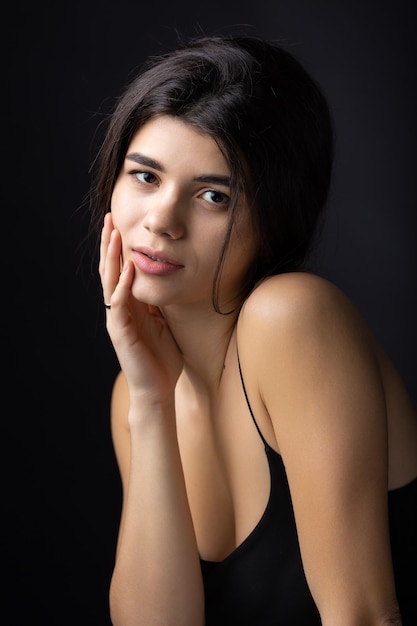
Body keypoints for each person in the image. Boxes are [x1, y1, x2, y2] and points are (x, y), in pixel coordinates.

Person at [90, 33, 417, 625]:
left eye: (213, 195)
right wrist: (149, 399)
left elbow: (365, 616)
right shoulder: (133, 399)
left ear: (274, 220)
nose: (161, 220)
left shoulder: (291, 318)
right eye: (145, 177)